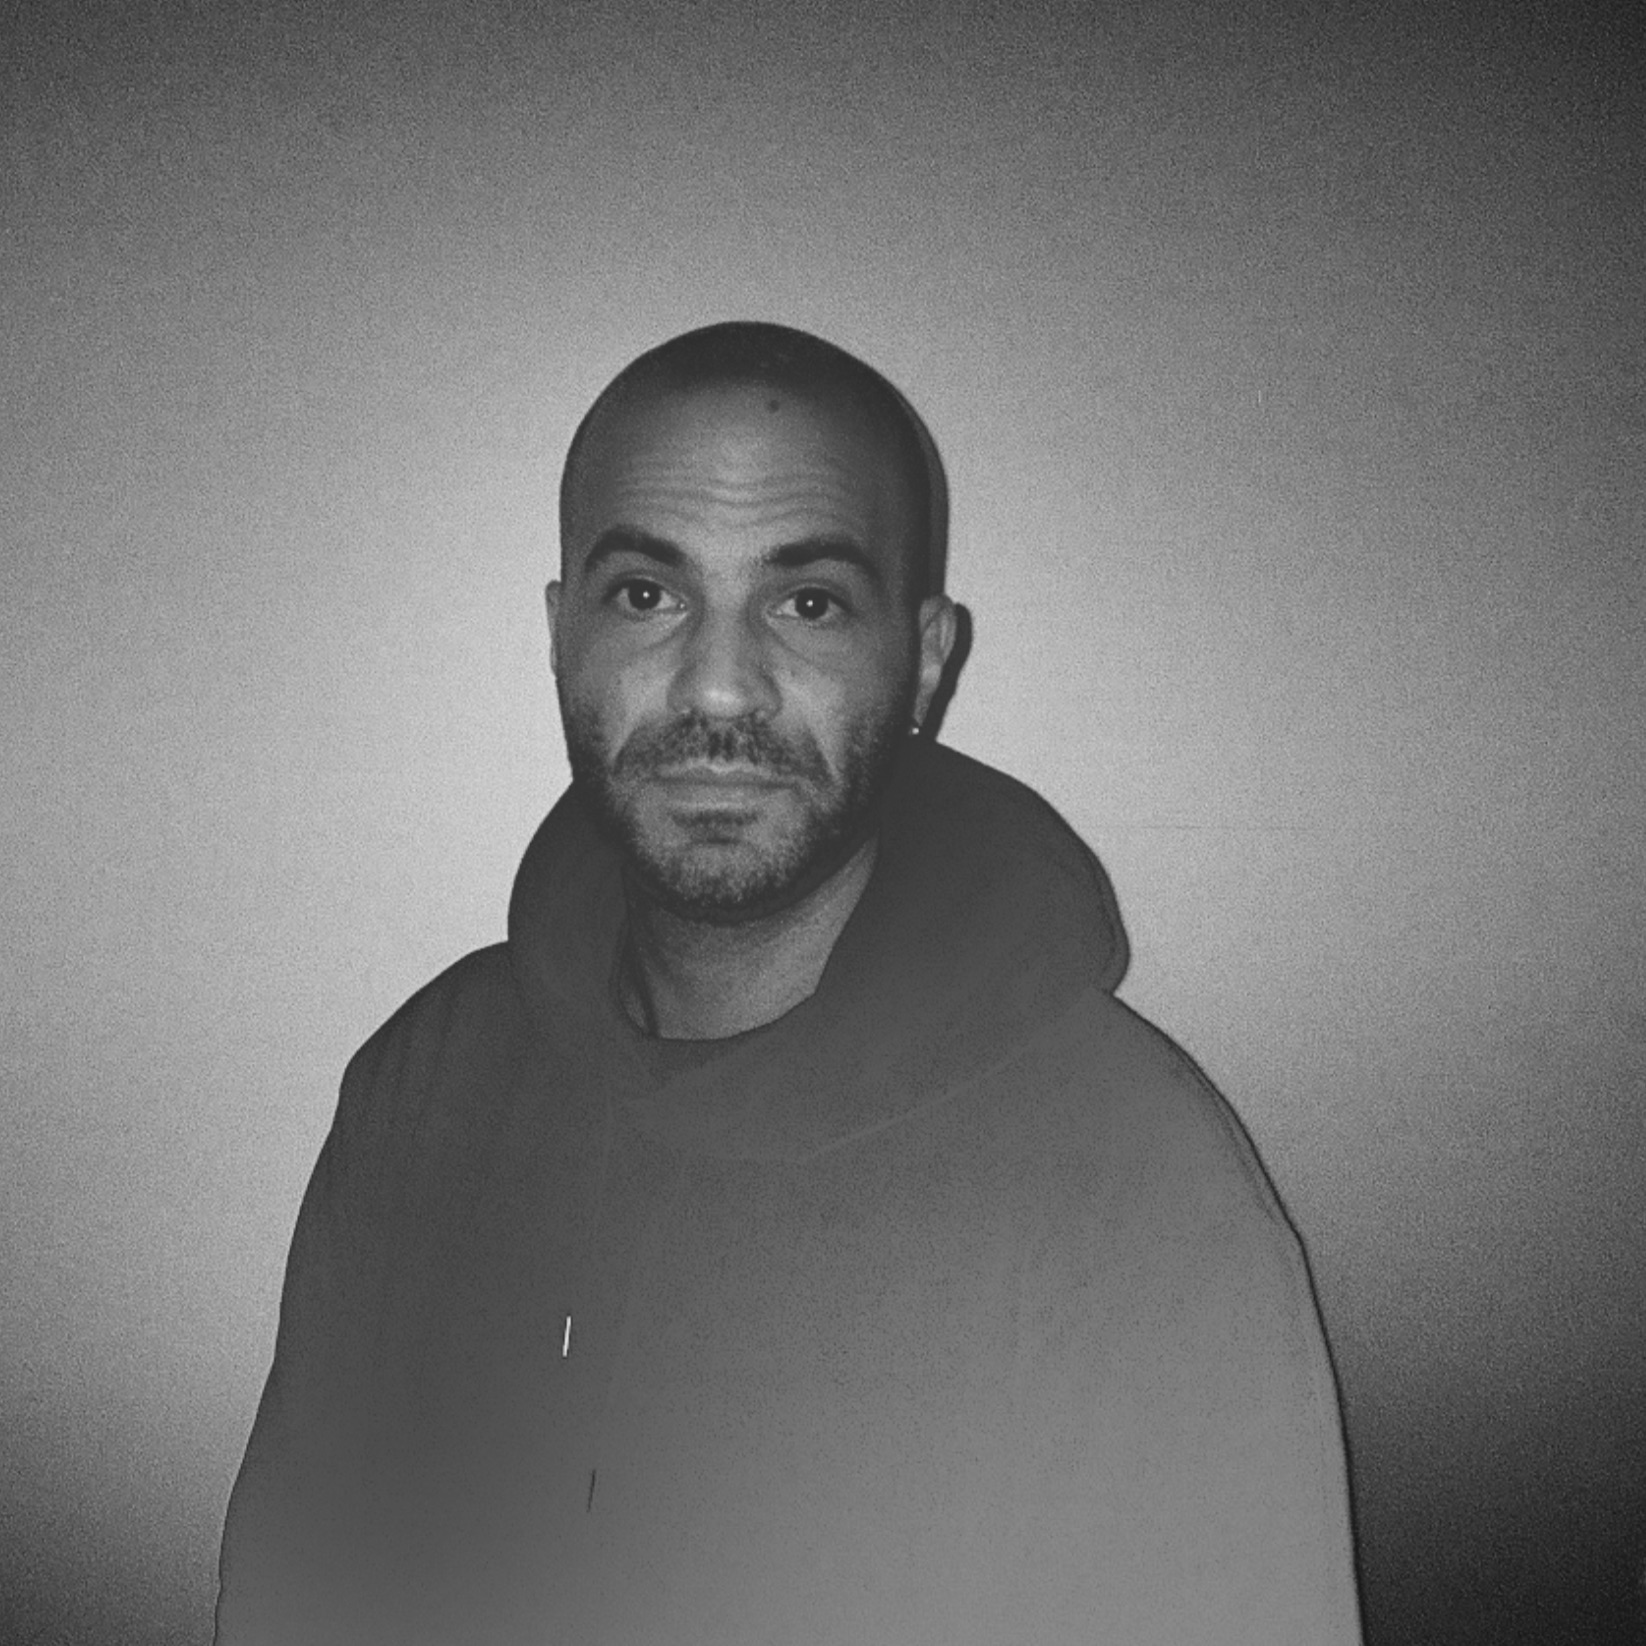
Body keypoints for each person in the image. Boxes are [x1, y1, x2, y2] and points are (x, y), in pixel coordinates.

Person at [214, 321, 1364, 1644]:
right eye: (646, 594)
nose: (717, 686)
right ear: (559, 635)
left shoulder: (1136, 1190)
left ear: (924, 658)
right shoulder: (424, 1083)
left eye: (806, 601)